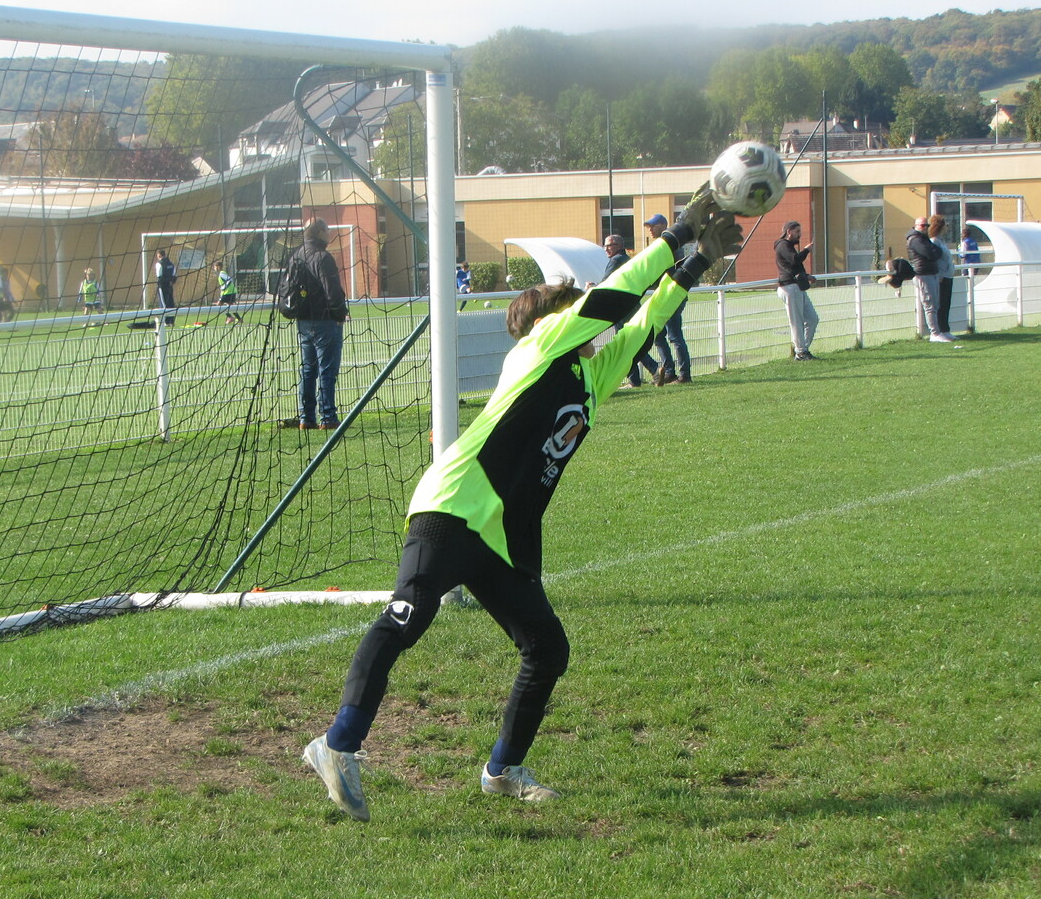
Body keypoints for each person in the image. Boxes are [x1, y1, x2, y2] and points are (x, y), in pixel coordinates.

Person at [301, 188, 743, 821]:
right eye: (573, 306)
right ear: (553, 320)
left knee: (546, 648)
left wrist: (697, 265)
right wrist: (677, 237)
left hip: (504, 535)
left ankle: (502, 769)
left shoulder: (590, 374)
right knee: (409, 616)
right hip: (455, 504)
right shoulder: (539, 347)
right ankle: (337, 744)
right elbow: (616, 298)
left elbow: (643, 323)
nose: (586, 316)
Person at [282, 218, 349, 430]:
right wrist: (341, 313)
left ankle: (306, 418)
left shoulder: (296, 256)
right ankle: (328, 417)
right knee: (327, 370)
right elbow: (332, 291)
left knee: (308, 370)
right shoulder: (322, 257)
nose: (330, 234)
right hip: (325, 320)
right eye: (327, 230)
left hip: (303, 321)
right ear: (320, 232)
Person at [607, 235, 661, 388]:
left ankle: (641, 376)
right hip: (632, 305)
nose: (606, 249)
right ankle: (649, 372)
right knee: (632, 343)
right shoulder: (627, 259)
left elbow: (606, 281)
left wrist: (592, 286)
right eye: (605, 246)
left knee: (625, 345)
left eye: (609, 245)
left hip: (621, 309)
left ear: (619, 245)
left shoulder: (615, 261)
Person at [644, 213, 691, 383]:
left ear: (663, 225)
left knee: (674, 336)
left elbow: (659, 270)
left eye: (653, 225)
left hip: (671, 295)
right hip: (665, 295)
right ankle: (670, 372)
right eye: (648, 226)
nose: (650, 229)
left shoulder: (669, 246)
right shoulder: (666, 244)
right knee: (659, 335)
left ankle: (684, 375)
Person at [774, 220, 819, 359]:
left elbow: (794, 266)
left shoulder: (787, 246)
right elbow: (795, 260)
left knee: (812, 319)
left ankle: (802, 350)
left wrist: (806, 276)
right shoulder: (782, 245)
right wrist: (806, 250)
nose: (800, 235)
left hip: (797, 287)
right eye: (797, 232)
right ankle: (801, 352)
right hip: (790, 287)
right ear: (789, 231)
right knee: (797, 321)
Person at [906, 216, 950, 341]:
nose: (925, 228)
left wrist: (935, 252)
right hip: (923, 273)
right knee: (930, 304)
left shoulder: (923, 238)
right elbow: (930, 253)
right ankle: (934, 333)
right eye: (922, 225)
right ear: (916, 225)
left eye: (927, 225)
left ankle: (938, 332)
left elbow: (936, 252)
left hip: (931, 272)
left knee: (934, 304)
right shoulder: (915, 239)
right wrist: (935, 252)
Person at [929, 215, 958, 339]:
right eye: (946, 224)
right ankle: (940, 330)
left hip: (948, 275)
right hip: (941, 277)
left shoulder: (942, 241)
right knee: (940, 304)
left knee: (946, 303)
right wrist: (939, 274)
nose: (947, 227)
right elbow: (934, 259)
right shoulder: (934, 241)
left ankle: (946, 330)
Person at [153, 249, 177, 324]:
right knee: (171, 302)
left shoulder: (159, 264)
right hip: (169, 286)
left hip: (162, 286)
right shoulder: (171, 264)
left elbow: (159, 276)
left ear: (158, 255)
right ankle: (171, 320)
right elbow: (174, 276)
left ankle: (166, 321)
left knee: (163, 303)